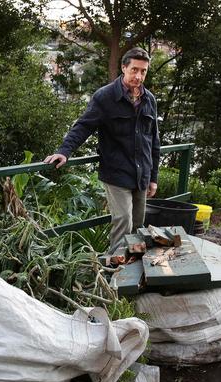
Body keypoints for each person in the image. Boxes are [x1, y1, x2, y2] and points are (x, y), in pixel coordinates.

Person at [44, 47, 160, 254]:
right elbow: (83, 126)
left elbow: (154, 141)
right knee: (123, 219)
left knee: (138, 224)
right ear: (124, 68)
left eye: (143, 71)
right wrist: (64, 151)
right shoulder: (105, 97)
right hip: (116, 172)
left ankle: (132, 268)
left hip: (142, 174)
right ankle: (115, 268)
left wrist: (153, 177)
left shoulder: (149, 99)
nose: (138, 76)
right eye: (134, 70)